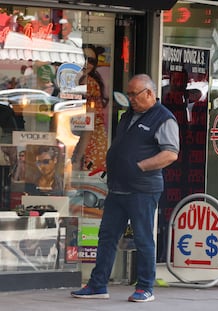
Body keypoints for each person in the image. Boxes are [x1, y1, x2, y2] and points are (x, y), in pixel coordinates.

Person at [71, 74, 179, 302]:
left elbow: (170, 154)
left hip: (142, 189)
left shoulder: (163, 118)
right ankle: (98, 285)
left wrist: (139, 166)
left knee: (142, 238)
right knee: (107, 236)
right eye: (128, 94)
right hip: (118, 187)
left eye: (134, 94)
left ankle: (146, 287)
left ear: (149, 93)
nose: (130, 98)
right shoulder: (129, 114)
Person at [71, 44, 109, 172]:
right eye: (83, 58)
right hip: (83, 137)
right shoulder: (76, 81)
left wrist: (78, 155)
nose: (87, 64)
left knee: (86, 183)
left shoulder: (89, 84)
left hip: (91, 141)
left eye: (91, 61)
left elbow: (88, 123)